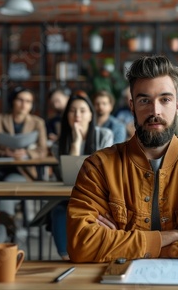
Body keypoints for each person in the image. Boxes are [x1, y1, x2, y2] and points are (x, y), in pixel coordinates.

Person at [67, 55, 178, 263]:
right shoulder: (98, 168)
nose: (155, 111)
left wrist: (129, 245)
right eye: (144, 100)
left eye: (165, 99)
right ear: (132, 106)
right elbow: (81, 244)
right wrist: (163, 238)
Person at [46, 93, 113, 259]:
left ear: (91, 115)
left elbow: (102, 172)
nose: (77, 115)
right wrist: (75, 143)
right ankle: (66, 257)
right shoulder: (58, 145)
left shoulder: (104, 136)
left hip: (99, 197)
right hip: (69, 198)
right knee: (60, 211)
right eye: (73, 111)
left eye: (83, 111)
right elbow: (68, 178)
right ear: (66, 115)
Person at [0, 86, 48, 242]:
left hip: (23, 172)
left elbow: (43, 150)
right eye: (20, 100)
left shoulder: (37, 123)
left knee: (5, 193)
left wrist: (27, 153)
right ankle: (4, 230)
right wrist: (4, 152)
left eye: (28, 101)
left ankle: (1, 237)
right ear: (12, 102)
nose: (24, 104)